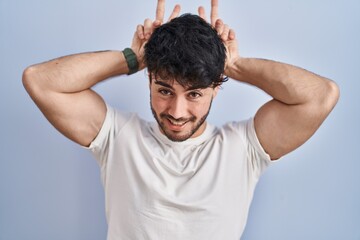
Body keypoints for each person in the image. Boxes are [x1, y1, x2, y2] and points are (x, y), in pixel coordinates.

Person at [22, 0, 339, 239]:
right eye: (164, 90)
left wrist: (235, 65)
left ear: (216, 88)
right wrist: (133, 57)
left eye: (194, 94)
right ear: (148, 79)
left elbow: (322, 95)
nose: (176, 111)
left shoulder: (243, 148)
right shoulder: (118, 137)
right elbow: (39, 80)